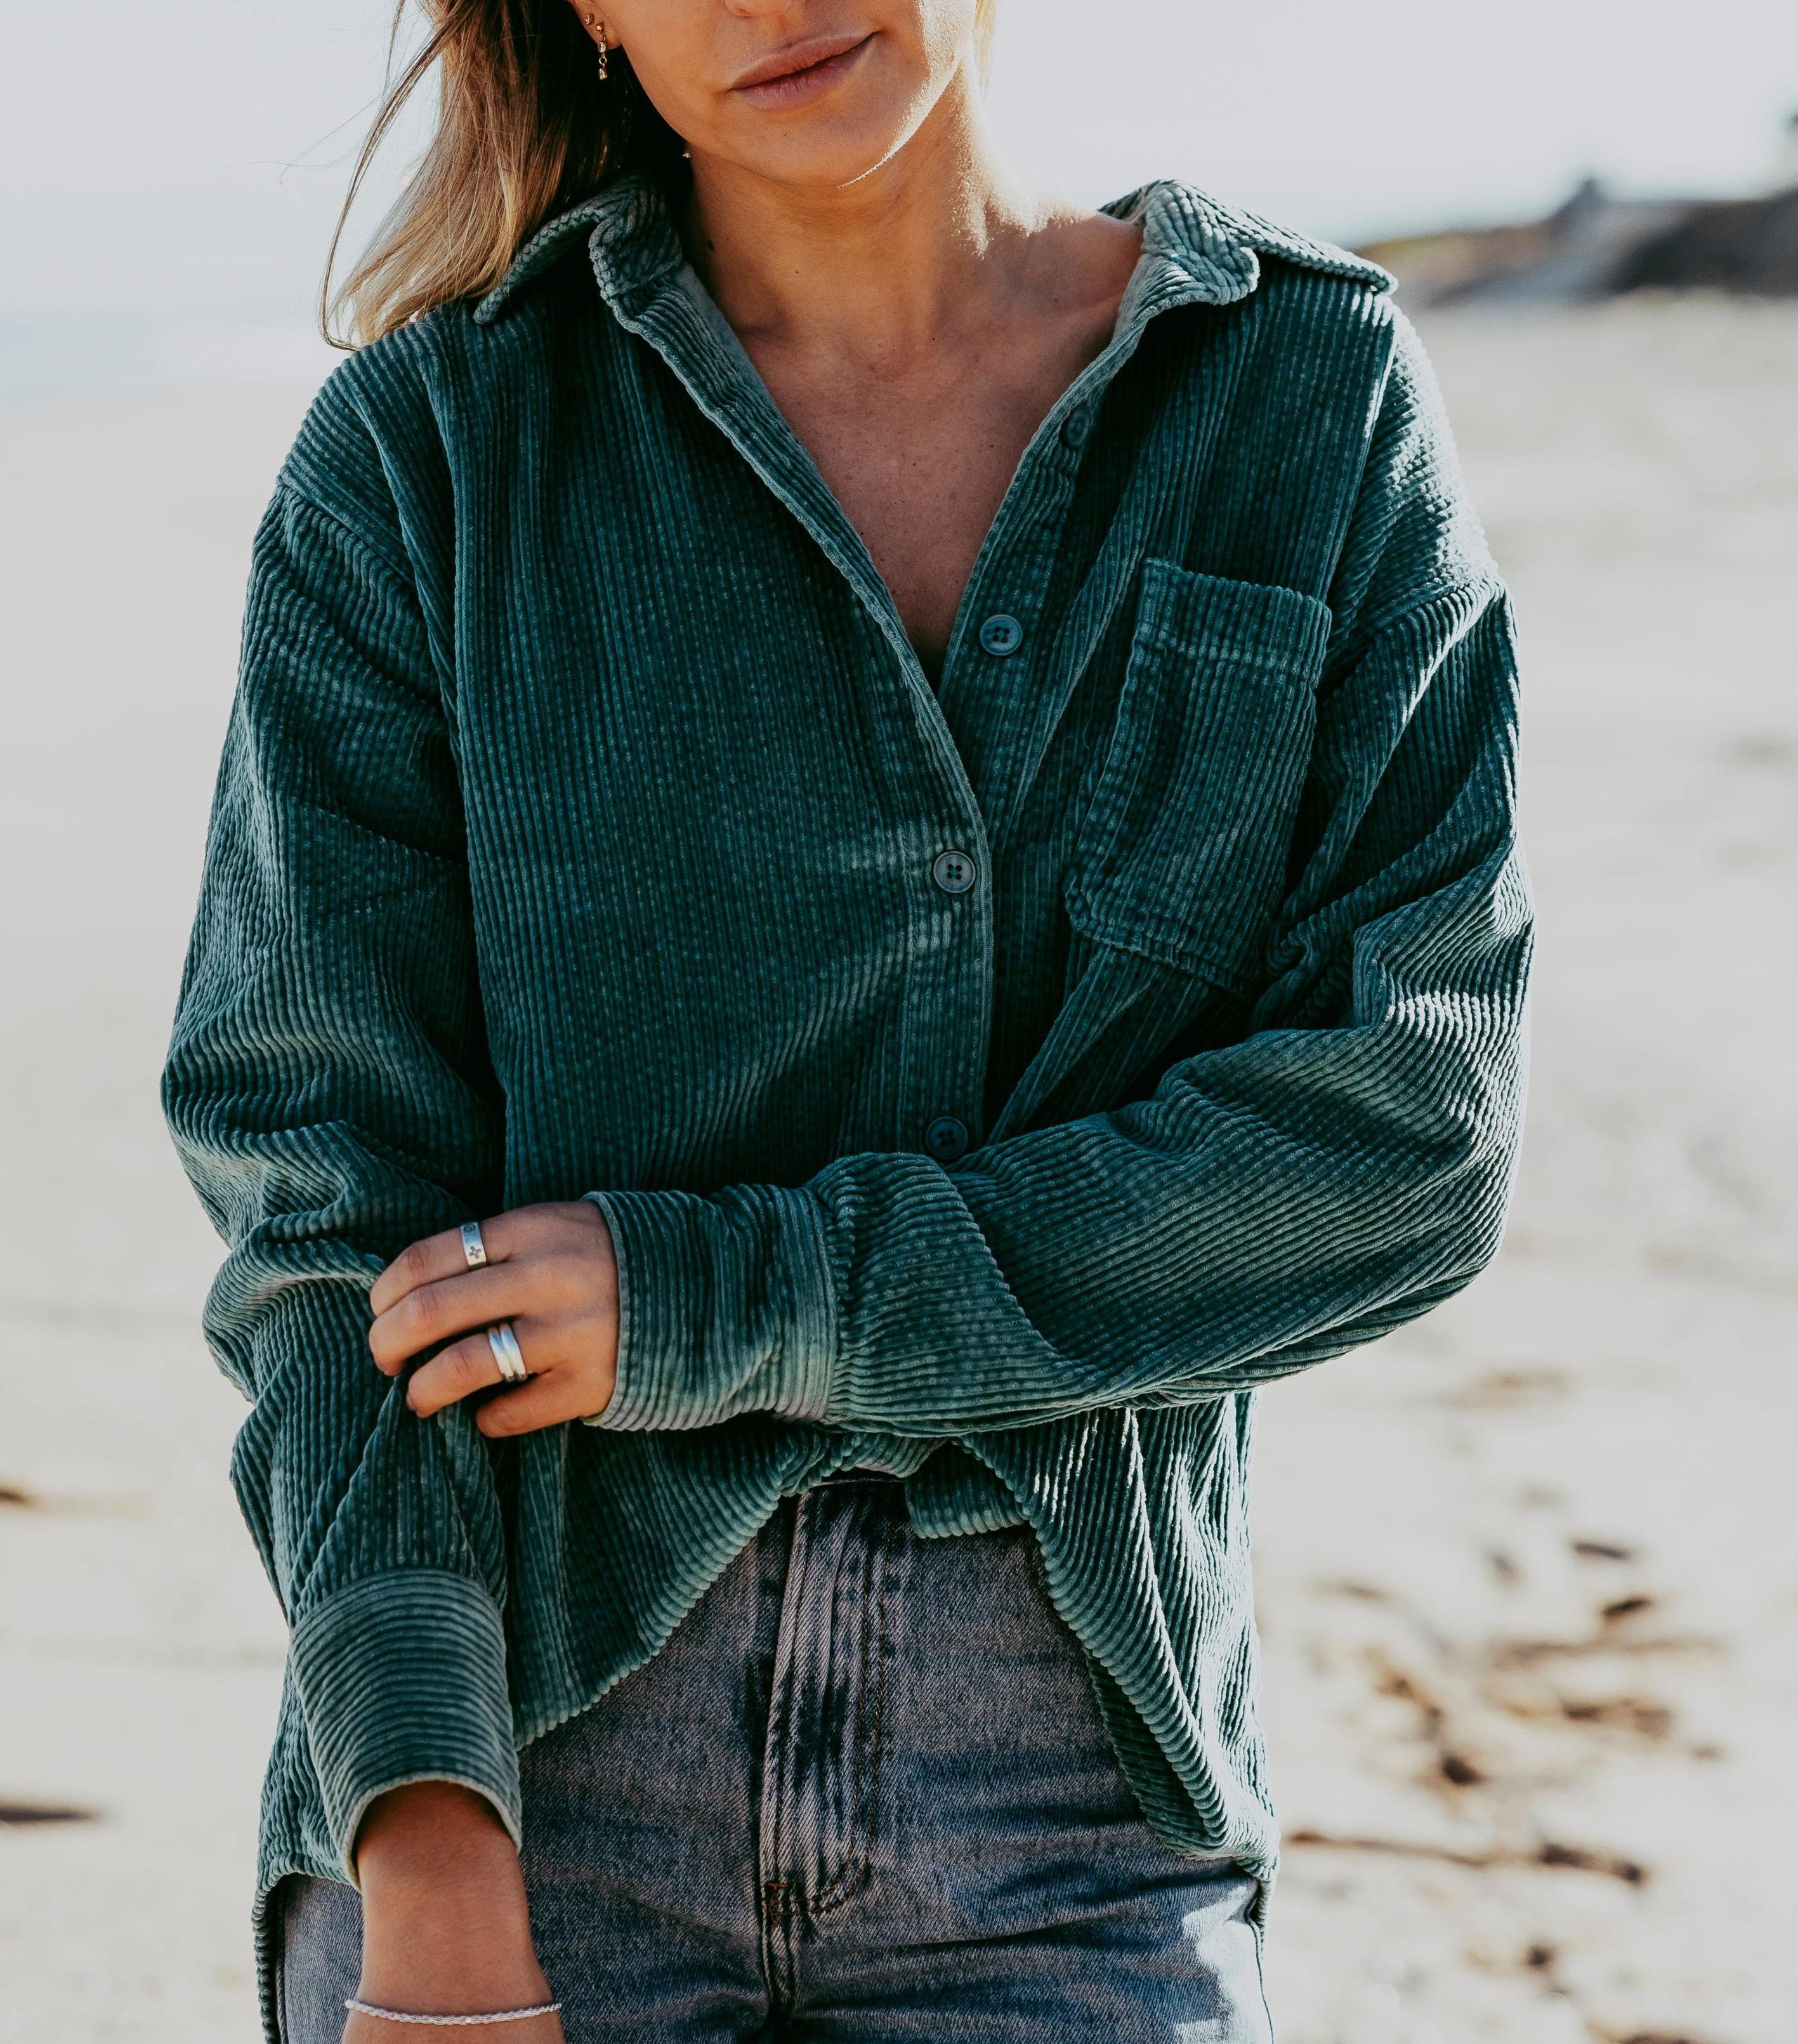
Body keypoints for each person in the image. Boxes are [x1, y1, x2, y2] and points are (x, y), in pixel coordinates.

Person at [162, 0, 1531, 2038]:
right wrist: (432, 1857)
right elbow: (326, 1210)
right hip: (542, 1757)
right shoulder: (435, 454)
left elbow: (1412, 1130)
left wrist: (748, 1291)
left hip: (1075, 1788)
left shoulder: (1304, 404)